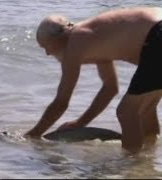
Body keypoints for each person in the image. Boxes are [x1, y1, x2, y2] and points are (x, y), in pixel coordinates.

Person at [25, 7, 162, 153]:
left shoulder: (75, 43)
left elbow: (61, 102)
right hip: (156, 35)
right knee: (145, 110)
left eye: (45, 46)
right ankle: (150, 157)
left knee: (126, 112)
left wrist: (33, 135)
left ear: (58, 38)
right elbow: (110, 88)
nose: (47, 53)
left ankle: (134, 167)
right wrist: (81, 123)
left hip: (157, 35)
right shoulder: (92, 36)